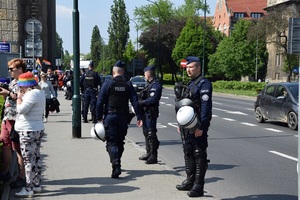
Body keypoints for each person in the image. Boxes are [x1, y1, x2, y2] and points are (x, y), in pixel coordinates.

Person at [96, 60, 143, 178]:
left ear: (113, 72)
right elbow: (135, 101)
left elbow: (99, 101)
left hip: (110, 116)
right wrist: (139, 116)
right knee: (120, 141)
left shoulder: (108, 84)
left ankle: (116, 164)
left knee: (111, 142)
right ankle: (118, 162)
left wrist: (98, 117)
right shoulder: (128, 84)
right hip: (123, 118)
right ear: (123, 72)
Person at [174, 56, 212, 197]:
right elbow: (184, 105)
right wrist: (180, 123)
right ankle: (190, 180)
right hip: (187, 126)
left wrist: (201, 127)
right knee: (188, 151)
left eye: (191, 67)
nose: (188, 70)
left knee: (199, 154)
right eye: (187, 67)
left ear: (198, 68)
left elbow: (205, 108)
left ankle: (198, 185)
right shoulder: (190, 84)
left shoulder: (204, 84)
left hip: (198, 125)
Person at [14, 72, 46, 198]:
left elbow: (21, 110)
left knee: (28, 159)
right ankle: (37, 185)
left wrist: (19, 98)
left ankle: (29, 188)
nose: (20, 88)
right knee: (36, 157)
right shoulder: (40, 93)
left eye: (21, 86)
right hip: (37, 128)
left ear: (25, 85)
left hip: (28, 130)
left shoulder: (31, 95)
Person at [0, 58, 26, 188]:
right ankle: (5, 173)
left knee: (18, 148)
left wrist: (8, 93)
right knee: (4, 142)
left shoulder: (24, 82)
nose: (9, 71)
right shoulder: (13, 82)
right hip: (7, 116)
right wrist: (6, 92)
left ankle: (21, 176)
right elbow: (10, 96)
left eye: (11, 69)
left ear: (19, 70)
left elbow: (19, 97)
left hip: (16, 118)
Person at [138, 66, 162, 164]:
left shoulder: (155, 85)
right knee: (146, 133)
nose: (144, 76)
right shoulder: (149, 85)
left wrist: (140, 103)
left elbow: (153, 99)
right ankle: (148, 153)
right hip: (146, 112)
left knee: (151, 134)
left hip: (151, 113)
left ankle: (153, 156)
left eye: (145, 74)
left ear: (148, 74)